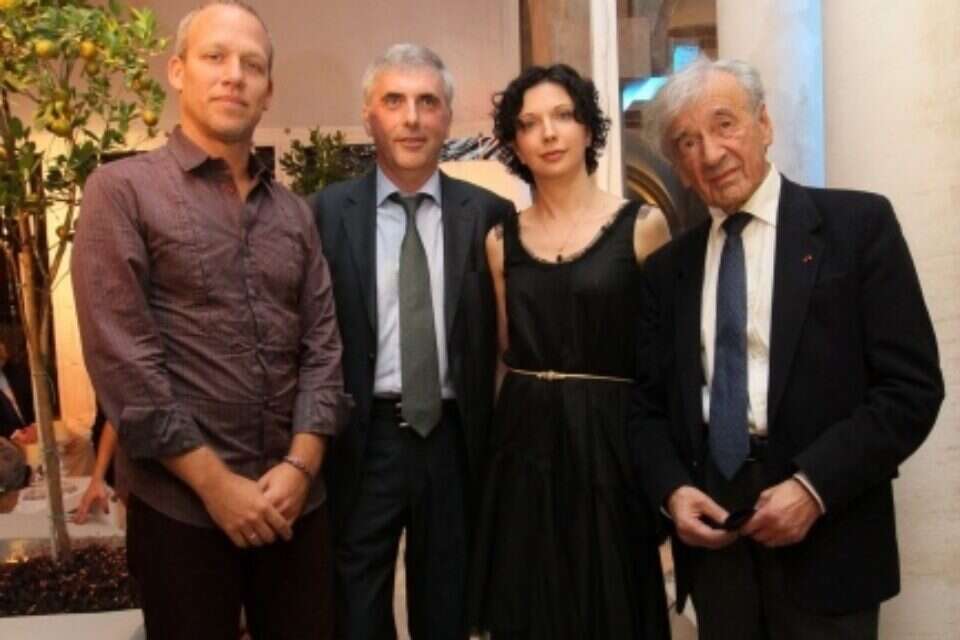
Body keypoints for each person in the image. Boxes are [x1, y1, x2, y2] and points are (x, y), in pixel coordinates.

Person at [629, 58, 944, 639]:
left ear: (765, 124)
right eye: (687, 142)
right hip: (716, 540)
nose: (711, 154)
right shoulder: (668, 270)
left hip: (830, 531)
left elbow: (911, 389)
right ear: (678, 166)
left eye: (724, 124)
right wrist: (673, 491)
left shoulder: (858, 226)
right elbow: (646, 408)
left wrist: (813, 488)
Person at [71, 2, 348, 638]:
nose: (234, 76)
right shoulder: (122, 191)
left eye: (252, 65)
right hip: (182, 511)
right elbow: (124, 363)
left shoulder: (294, 214)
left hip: (294, 505)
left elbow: (323, 348)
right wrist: (217, 486)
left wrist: (301, 466)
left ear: (268, 91)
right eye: (215, 57)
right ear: (177, 71)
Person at [309, 44, 513, 640]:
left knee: (448, 610)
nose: (412, 118)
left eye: (428, 102)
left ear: (447, 116)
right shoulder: (323, 214)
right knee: (355, 609)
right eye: (394, 101)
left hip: (454, 440)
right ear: (368, 114)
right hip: (361, 440)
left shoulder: (491, 215)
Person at [467, 64, 672, 640]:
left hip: (609, 436)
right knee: (528, 597)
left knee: (610, 595)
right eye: (530, 123)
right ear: (515, 144)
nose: (549, 133)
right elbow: (504, 349)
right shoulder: (499, 240)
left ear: (588, 128)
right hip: (524, 437)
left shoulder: (643, 226)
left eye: (563, 116)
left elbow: (663, 360)